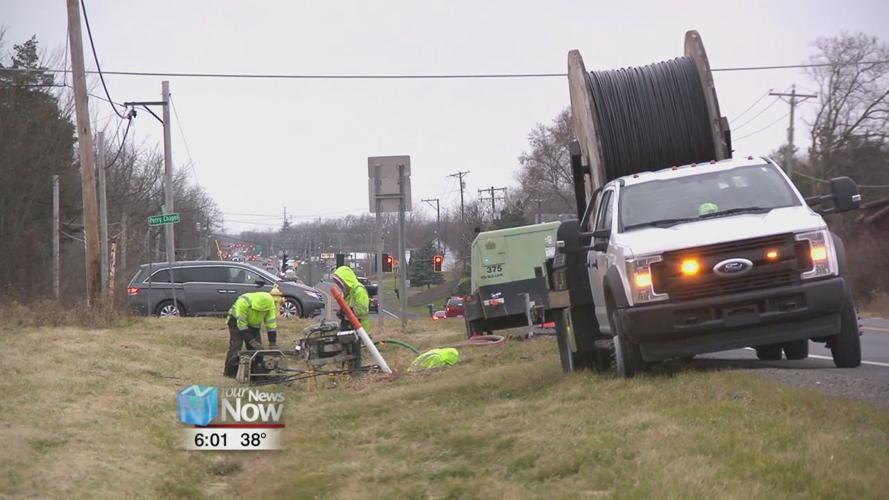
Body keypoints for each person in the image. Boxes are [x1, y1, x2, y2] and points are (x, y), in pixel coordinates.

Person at [223, 291, 279, 378]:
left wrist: (272, 342)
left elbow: (271, 324)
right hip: (236, 322)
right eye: (258, 310)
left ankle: (256, 375)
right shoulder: (243, 302)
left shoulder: (270, 304)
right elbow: (242, 327)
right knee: (236, 346)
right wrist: (251, 341)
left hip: (254, 325)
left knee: (258, 350)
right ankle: (230, 373)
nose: (261, 312)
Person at [330, 266, 370, 330]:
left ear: (346, 280)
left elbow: (362, 310)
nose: (339, 285)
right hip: (350, 325)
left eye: (340, 283)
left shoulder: (359, 290)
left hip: (360, 327)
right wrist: (341, 312)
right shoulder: (347, 292)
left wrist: (346, 311)